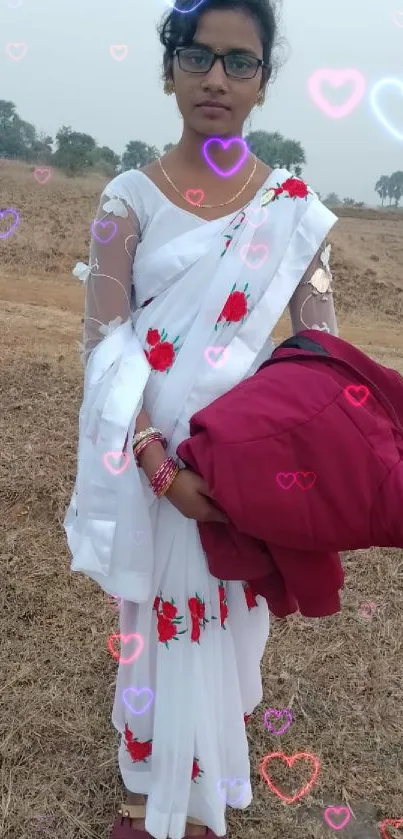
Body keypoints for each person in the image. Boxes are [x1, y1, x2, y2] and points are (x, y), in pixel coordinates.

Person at [64, 0, 339, 837]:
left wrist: (272, 458)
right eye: (198, 56)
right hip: (154, 467)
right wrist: (159, 465)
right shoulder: (128, 198)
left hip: (242, 474)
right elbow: (106, 347)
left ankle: (208, 771)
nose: (216, 77)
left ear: (262, 83)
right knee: (154, 619)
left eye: (240, 61)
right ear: (170, 70)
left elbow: (320, 351)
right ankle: (154, 788)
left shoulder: (291, 207)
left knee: (229, 622)